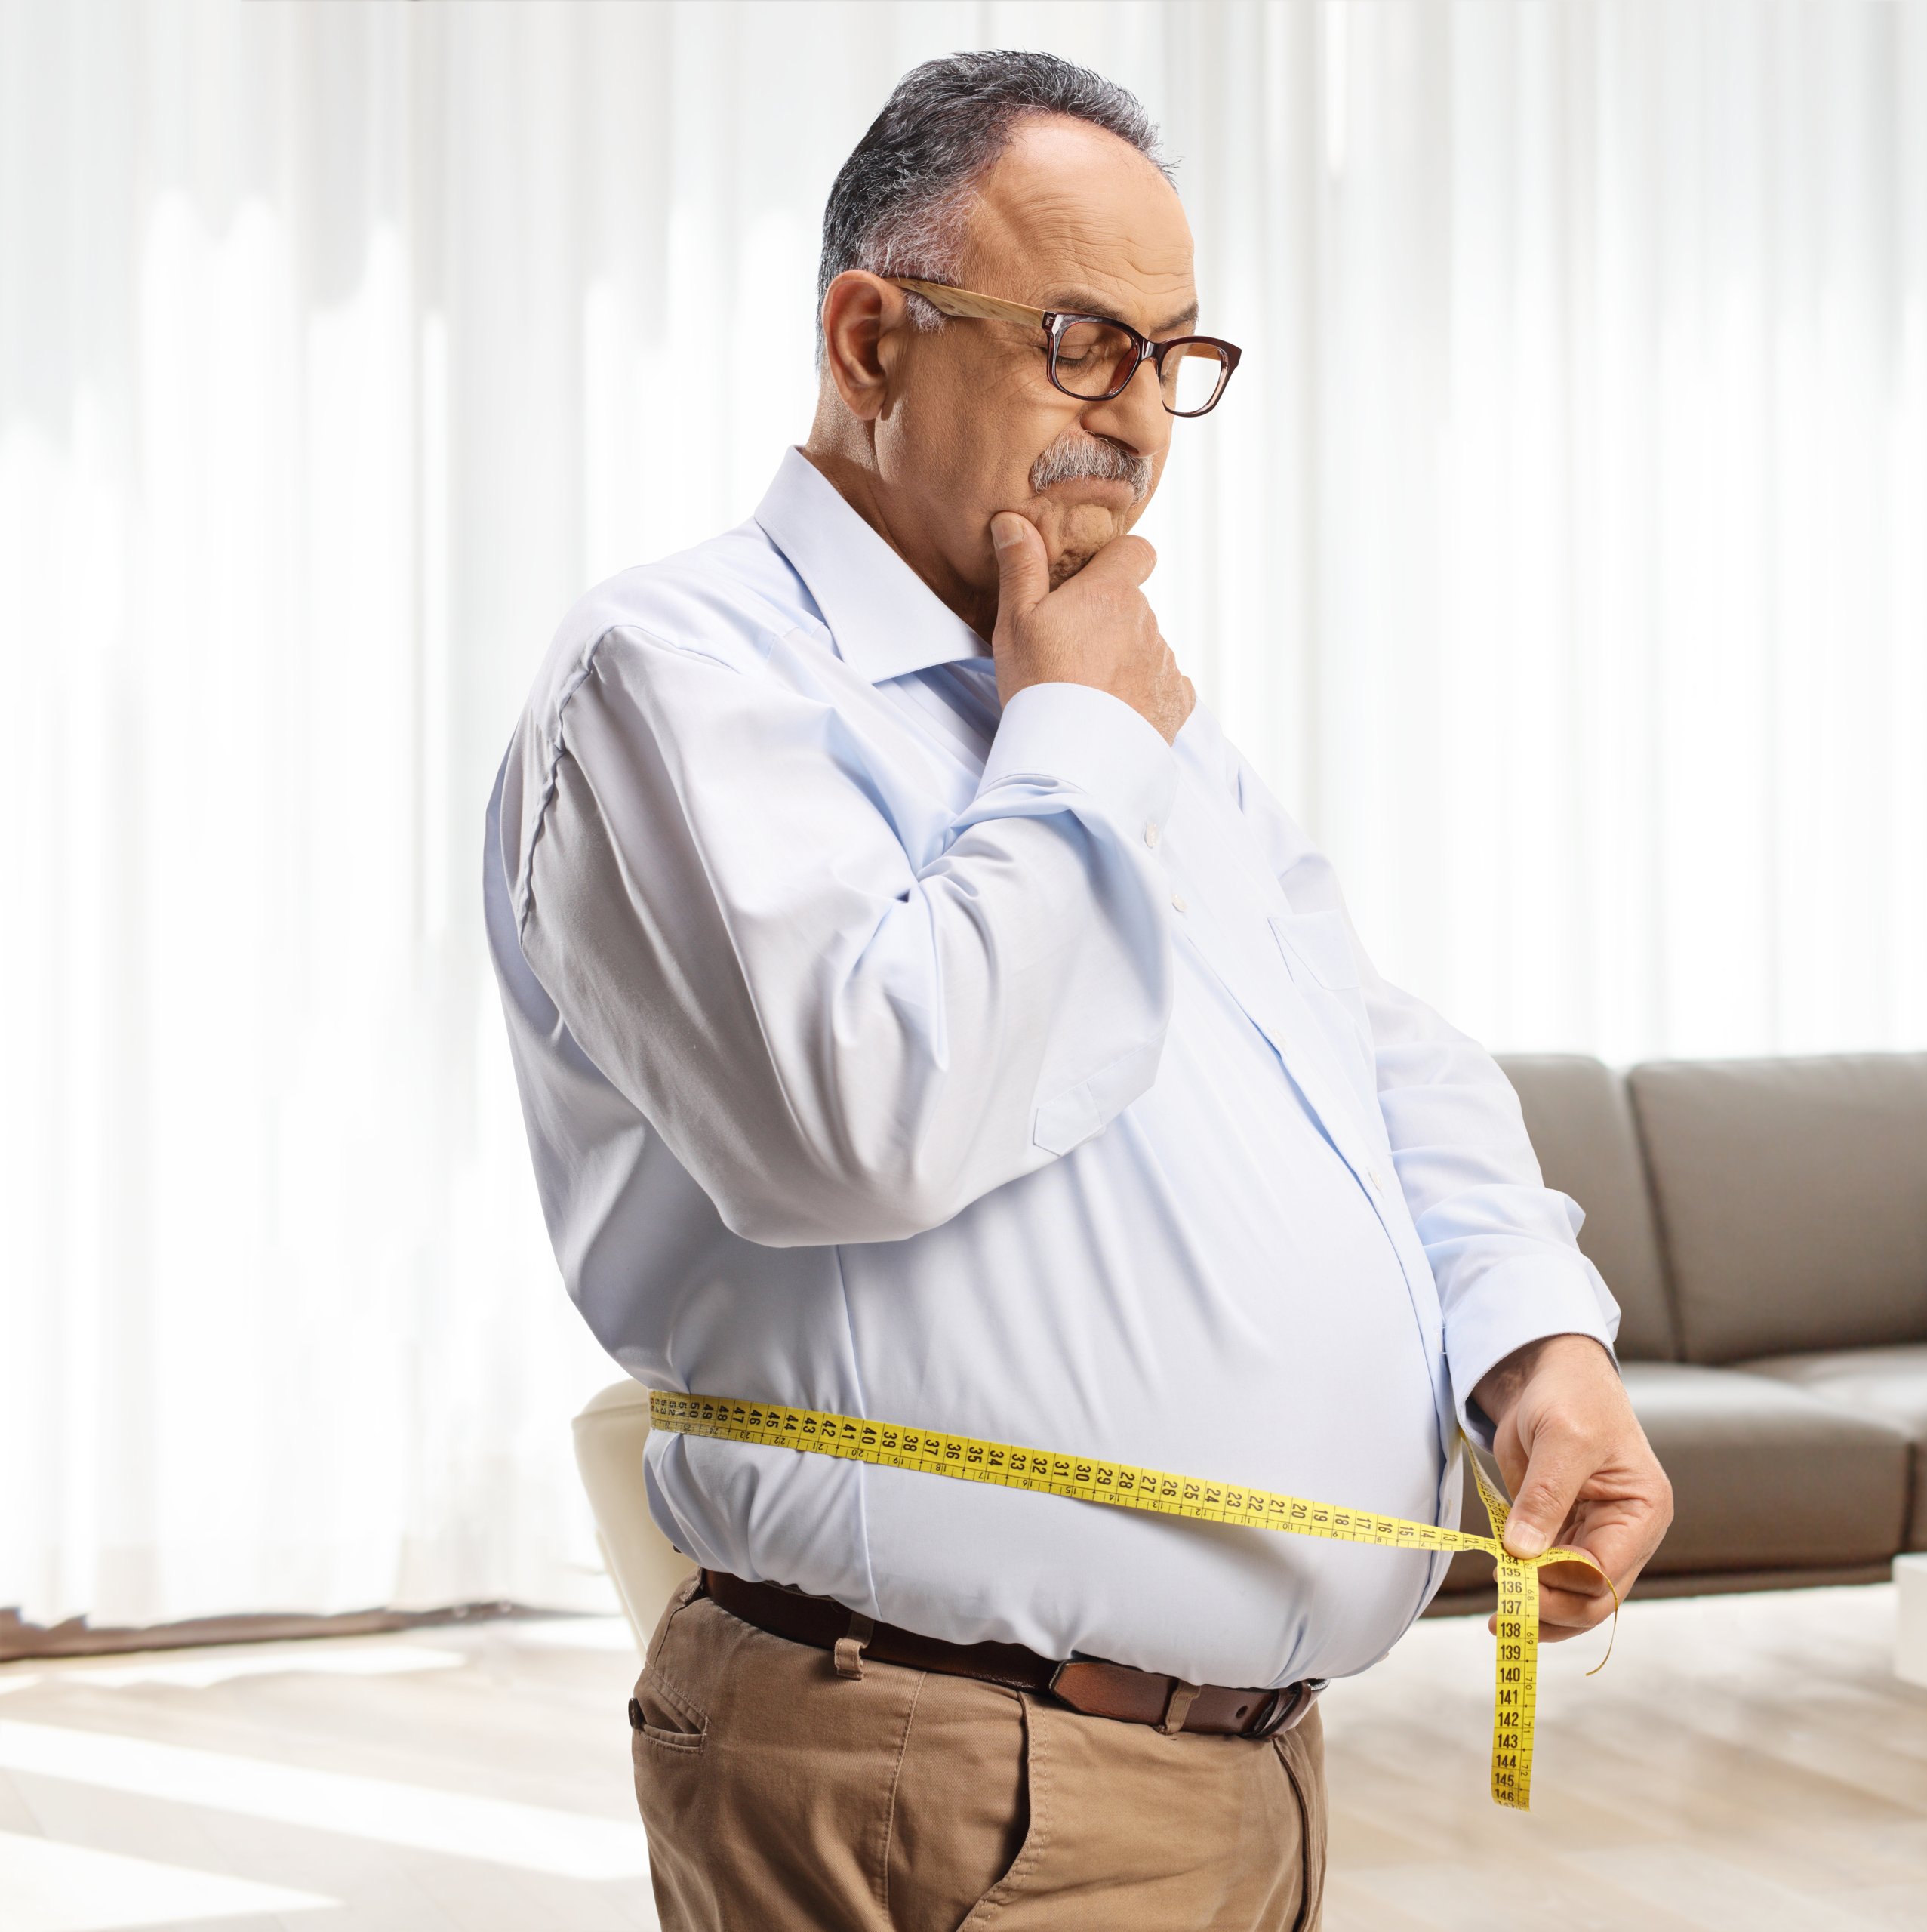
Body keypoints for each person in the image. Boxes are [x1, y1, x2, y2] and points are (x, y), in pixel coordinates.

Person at [483, 49, 1671, 1932]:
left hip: (1242, 1772)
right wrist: (1074, 735)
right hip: (950, 1775)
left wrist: (1541, 1348)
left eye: (1174, 355)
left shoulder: (1097, 695)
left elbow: (1375, 1060)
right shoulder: (679, 676)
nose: (1137, 418)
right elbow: (861, 1124)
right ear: (870, 338)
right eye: (1076, 341)